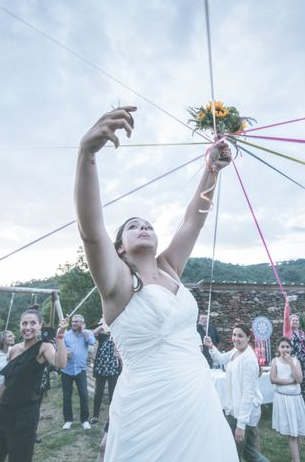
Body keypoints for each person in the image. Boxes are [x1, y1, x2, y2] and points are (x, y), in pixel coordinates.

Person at [74, 107, 237, 461]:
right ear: (119, 247)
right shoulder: (117, 282)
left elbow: (194, 219)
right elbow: (91, 231)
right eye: (133, 226)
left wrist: (212, 171)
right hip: (148, 408)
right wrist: (87, 155)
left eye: (148, 224)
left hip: (197, 399)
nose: (144, 227)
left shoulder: (169, 268)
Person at [0, 306, 68, 462]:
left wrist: (60, 336)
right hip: (2, 416)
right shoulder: (13, 350)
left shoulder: (43, 347)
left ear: (40, 326)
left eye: (33, 323)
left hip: (24, 418)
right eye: (24, 323)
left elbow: (60, 363)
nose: (28, 327)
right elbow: (5, 386)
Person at [205, 324, 269, 462]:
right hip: (234, 409)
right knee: (248, 453)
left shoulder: (249, 359)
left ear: (248, 337)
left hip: (243, 414)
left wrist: (241, 425)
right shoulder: (236, 350)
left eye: (240, 336)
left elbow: (248, 395)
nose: (236, 338)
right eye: (234, 335)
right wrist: (211, 346)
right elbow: (221, 359)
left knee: (237, 454)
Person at [270, 336, 305, 462]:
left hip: (295, 399)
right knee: (291, 433)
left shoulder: (295, 361)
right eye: (282, 346)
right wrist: (288, 381)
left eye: (287, 346)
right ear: (278, 348)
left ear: (291, 348)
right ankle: (296, 460)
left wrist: (291, 363)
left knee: (296, 431)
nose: (285, 349)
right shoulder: (275, 361)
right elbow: (273, 379)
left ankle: (295, 459)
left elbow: (299, 379)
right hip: (283, 399)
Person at [61, 313, 95, 430]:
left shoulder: (87, 333)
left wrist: (84, 332)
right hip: (67, 370)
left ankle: (84, 420)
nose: (74, 323)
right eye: (73, 321)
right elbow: (58, 347)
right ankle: (68, 420)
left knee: (84, 395)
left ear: (82, 323)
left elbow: (92, 342)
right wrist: (65, 352)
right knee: (67, 396)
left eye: (77, 321)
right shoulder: (66, 335)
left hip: (80, 370)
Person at [91, 318, 121, 424]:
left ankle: (111, 417)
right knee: (98, 392)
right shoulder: (102, 336)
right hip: (101, 368)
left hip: (114, 369)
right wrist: (103, 324)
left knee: (113, 394)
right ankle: (95, 415)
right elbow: (92, 334)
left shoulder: (118, 335)